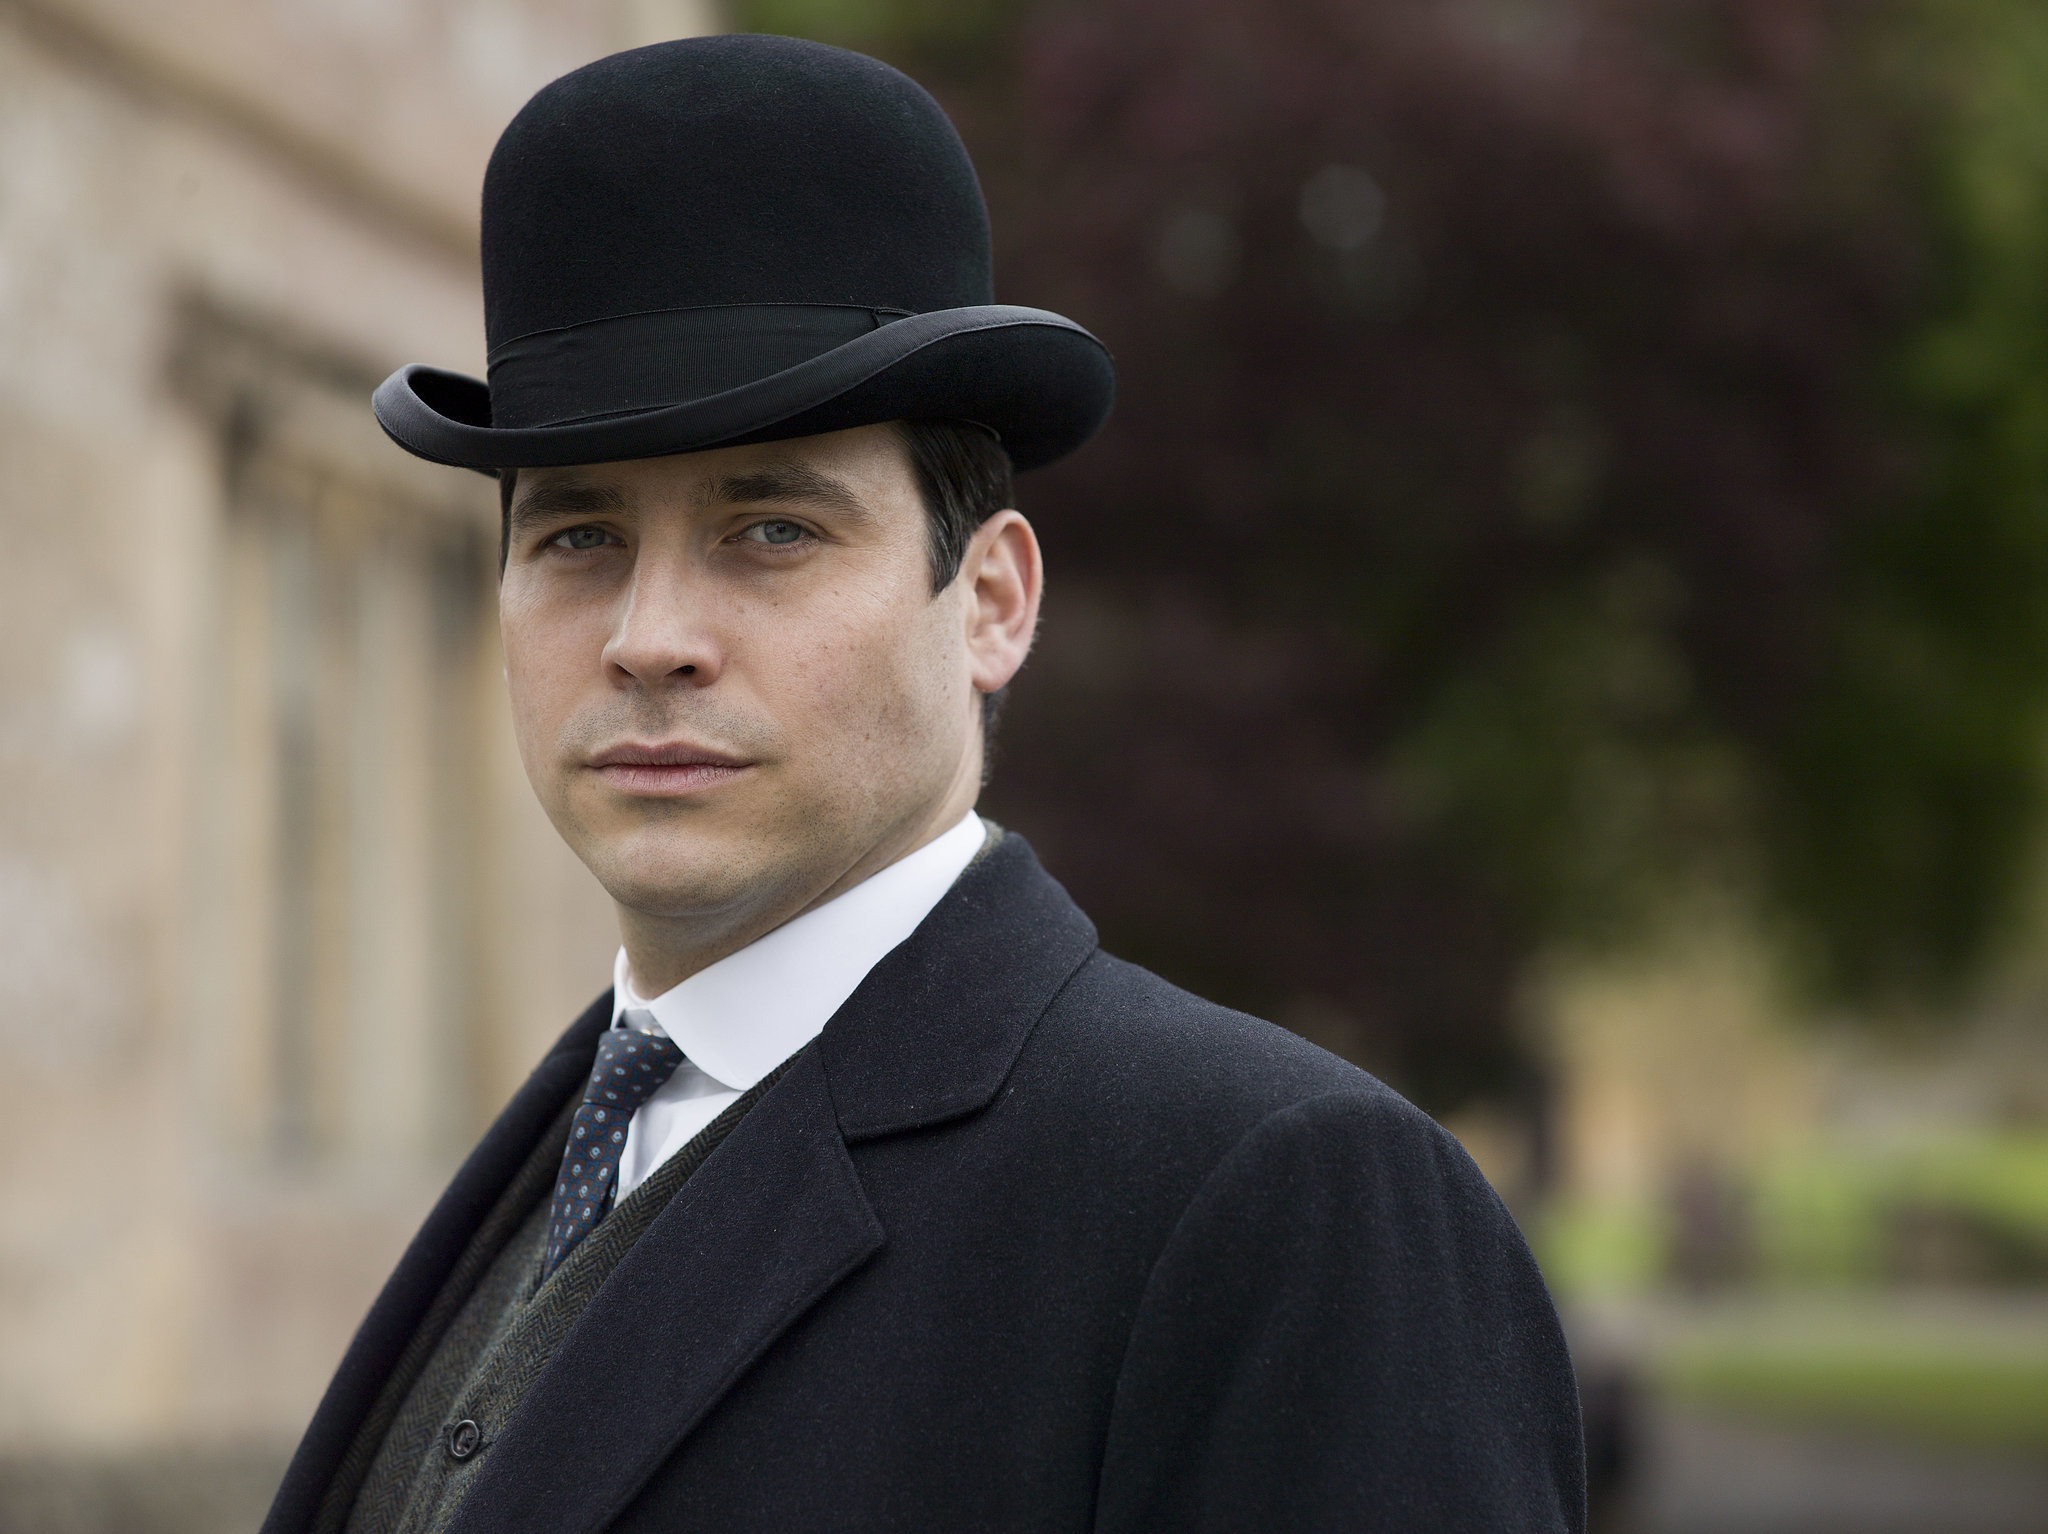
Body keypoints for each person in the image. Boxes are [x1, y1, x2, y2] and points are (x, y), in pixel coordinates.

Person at [259, 34, 1583, 1534]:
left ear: (995, 601)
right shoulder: (566, 1146)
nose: (649, 639)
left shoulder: (1285, 1205)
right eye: (578, 538)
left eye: (773, 530)